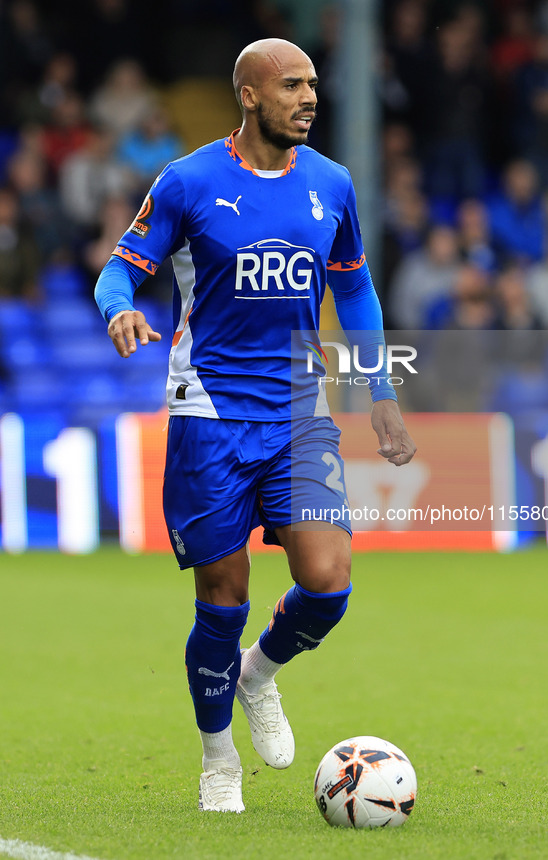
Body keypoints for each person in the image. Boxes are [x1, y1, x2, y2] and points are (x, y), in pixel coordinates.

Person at [94, 38, 416, 814]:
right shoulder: (189, 181)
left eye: (312, 85)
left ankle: (257, 675)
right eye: (292, 86)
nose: (309, 97)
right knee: (222, 597)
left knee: (327, 582)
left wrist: (378, 387)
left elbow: (358, 291)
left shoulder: (332, 185)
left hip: (300, 407)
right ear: (249, 95)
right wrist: (121, 311)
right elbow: (118, 269)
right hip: (210, 411)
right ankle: (217, 761)